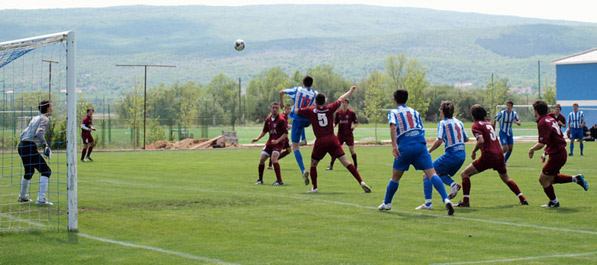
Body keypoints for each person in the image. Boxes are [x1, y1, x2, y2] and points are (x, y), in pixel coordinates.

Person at [378, 89, 454, 215]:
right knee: (432, 174)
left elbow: (393, 126)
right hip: (420, 145)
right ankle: (445, 198)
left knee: (396, 177)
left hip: (405, 146)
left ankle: (387, 203)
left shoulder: (394, 112)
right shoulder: (415, 112)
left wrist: (394, 145)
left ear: (394, 99)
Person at [296, 86, 371, 193]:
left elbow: (296, 111)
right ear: (324, 100)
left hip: (321, 141)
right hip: (332, 139)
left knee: (313, 164)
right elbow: (340, 98)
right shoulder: (330, 108)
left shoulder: (311, 110)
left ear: (315, 101)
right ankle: (361, 181)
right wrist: (350, 91)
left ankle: (315, 188)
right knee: (346, 162)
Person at [456, 104, 528, 207]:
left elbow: (481, 141)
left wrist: (474, 151)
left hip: (489, 156)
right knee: (506, 178)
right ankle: (522, 198)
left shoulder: (476, 125)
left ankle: (465, 202)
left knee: (465, 174)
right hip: (499, 154)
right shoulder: (489, 124)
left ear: (473, 115)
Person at [528, 100, 588, 208]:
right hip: (559, 153)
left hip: (557, 155)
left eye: (534, 109)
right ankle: (576, 179)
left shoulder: (543, 122)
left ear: (536, 111)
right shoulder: (550, 118)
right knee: (550, 179)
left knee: (542, 179)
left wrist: (531, 149)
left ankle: (554, 202)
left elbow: (541, 143)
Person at [416, 101, 468, 210]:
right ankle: (454, 185)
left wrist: (429, 150)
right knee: (439, 173)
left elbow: (439, 140)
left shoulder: (443, 123)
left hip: (451, 154)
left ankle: (428, 204)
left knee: (427, 173)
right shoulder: (459, 122)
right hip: (462, 155)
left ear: (442, 111)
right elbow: (466, 138)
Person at [279, 75, 318, 185]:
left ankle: (303, 170)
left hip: (297, 118)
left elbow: (281, 92)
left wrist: (281, 102)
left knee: (295, 146)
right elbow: (322, 100)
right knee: (302, 124)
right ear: (311, 84)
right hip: (308, 120)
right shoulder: (315, 93)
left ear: (303, 82)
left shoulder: (297, 90)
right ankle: (304, 139)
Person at [17, 100, 54, 205]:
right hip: (29, 146)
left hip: (22, 145)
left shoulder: (35, 118)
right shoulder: (45, 119)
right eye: (51, 106)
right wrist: (45, 145)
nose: (52, 108)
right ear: (47, 108)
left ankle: (23, 196)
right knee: (46, 171)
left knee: (29, 171)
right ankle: (41, 199)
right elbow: (39, 133)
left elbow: (26, 133)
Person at [251, 102, 288, 185]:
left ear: (278, 110)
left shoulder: (282, 120)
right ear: (270, 108)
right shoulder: (268, 120)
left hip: (278, 144)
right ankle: (260, 180)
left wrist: (278, 140)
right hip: (270, 143)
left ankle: (279, 181)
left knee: (274, 159)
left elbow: (285, 133)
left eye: (276, 108)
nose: (275, 109)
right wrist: (257, 138)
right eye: (273, 107)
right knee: (261, 160)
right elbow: (264, 131)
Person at [326, 99, 358, 170]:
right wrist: (333, 125)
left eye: (345, 103)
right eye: (343, 102)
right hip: (340, 135)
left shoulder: (351, 113)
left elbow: (356, 122)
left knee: (352, 150)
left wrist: (353, 127)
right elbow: (335, 122)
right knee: (335, 150)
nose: (344, 104)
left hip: (349, 134)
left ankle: (356, 165)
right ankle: (331, 166)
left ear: (347, 104)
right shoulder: (338, 113)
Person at [267, 104, 292, 169]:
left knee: (287, 150)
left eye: (290, 109)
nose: (289, 110)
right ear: (285, 109)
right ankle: (273, 161)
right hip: (282, 137)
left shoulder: (285, 116)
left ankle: (271, 163)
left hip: (283, 136)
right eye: (288, 109)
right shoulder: (283, 116)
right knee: (283, 150)